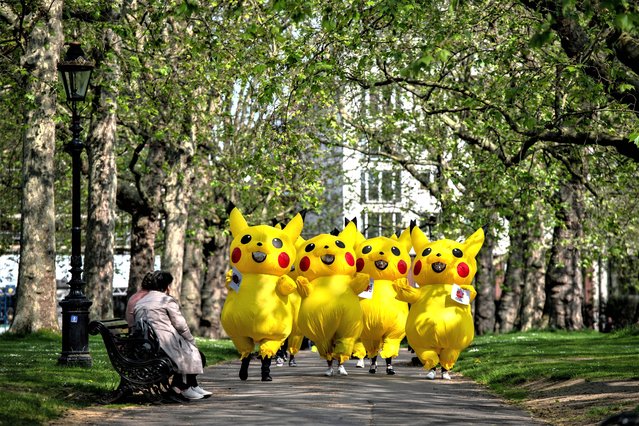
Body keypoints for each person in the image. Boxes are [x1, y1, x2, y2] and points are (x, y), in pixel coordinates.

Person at [133, 270, 211, 400]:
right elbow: (180, 325)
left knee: (189, 352)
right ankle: (179, 388)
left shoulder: (141, 301)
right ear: (166, 286)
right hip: (164, 345)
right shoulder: (166, 301)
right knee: (195, 353)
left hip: (146, 345)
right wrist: (191, 340)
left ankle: (187, 387)